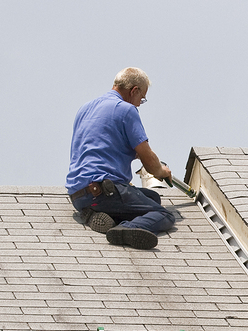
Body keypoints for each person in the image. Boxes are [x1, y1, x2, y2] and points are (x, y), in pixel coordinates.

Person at [65, 67, 175, 250]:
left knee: (152, 197)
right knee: (164, 215)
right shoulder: (126, 110)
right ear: (134, 90)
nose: (139, 104)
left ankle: (93, 213)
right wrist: (162, 171)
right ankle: (125, 228)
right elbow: (149, 162)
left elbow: (99, 143)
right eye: (142, 98)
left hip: (78, 195)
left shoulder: (85, 109)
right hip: (104, 191)